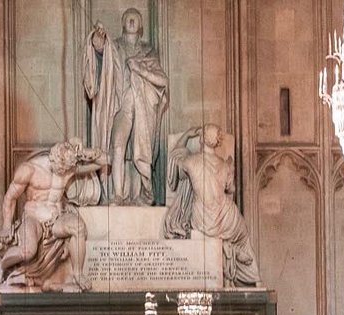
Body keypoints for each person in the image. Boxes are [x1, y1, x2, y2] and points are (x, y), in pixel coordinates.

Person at [0, 140, 110, 290]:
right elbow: (10, 197)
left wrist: (83, 152)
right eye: (62, 169)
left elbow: (105, 160)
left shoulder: (68, 168)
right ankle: (2, 265)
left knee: (77, 226)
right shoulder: (30, 170)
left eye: (68, 169)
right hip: (33, 219)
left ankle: (78, 274)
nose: (65, 173)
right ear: (54, 159)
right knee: (28, 251)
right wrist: (6, 226)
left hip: (56, 219)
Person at [82, 9, 169, 206]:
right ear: (122, 23)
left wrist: (140, 69)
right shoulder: (116, 46)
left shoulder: (148, 50)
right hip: (121, 104)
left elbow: (162, 80)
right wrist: (97, 39)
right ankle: (118, 195)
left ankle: (143, 193)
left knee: (140, 150)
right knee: (118, 145)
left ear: (141, 25)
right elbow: (101, 53)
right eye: (128, 17)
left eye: (135, 17)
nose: (131, 20)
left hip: (142, 106)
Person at [162, 125, 258, 285]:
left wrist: (186, 135)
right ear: (218, 142)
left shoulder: (190, 161)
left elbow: (175, 157)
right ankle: (239, 259)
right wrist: (230, 168)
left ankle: (229, 253)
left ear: (201, 139)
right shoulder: (224, 165)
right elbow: (231, 189)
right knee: (243, 235)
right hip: (225, 217)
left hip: (202, 218)